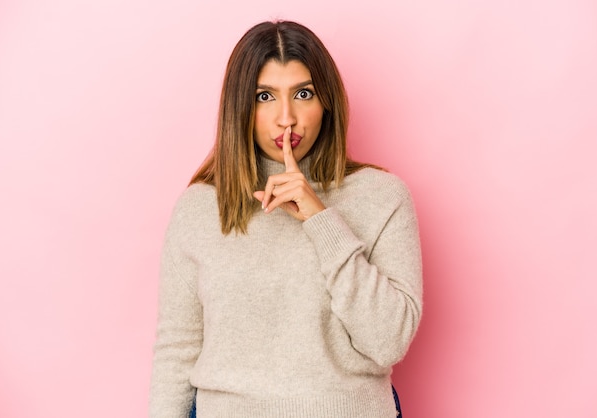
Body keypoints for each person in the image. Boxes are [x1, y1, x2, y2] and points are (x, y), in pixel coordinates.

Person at [149, 20, 423, 418]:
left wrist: (321, 220)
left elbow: (388, 340)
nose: (286, 118)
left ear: (326, 102)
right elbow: (177, 349)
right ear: (240, 106)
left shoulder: (382, 197)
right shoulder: (200, 209)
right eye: (264, 96)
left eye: (303, 93)